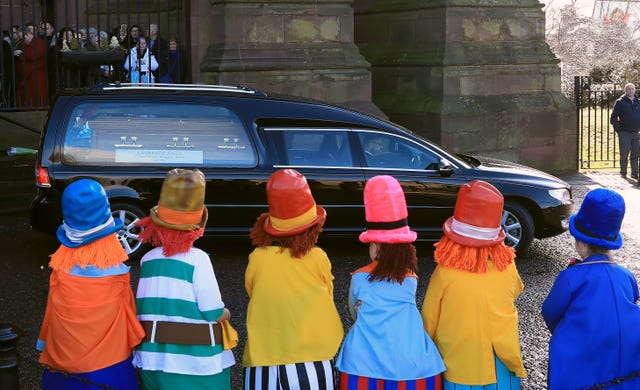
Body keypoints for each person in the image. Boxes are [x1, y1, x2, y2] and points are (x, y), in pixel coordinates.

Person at [336, 175, 446, 389]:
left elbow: (353, 312)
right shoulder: (410, 281)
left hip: (362, 366)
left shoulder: (359, 278)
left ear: (375, 246)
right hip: (414, 365)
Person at [133, 168, 236, 389]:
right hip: (196, 364)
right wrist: (227, 313)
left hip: (151, 360)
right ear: (197, 227)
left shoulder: (147, 260)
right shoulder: (198, 259)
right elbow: (212, 312)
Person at [36, 178, 145, 389]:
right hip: (111, 368)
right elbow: (129, 315)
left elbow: (51, 313)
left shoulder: (60, 269)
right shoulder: (118, 272)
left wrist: (43, 343)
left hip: (62, 369)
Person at [243, 168, 344, 390]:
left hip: (263, 358)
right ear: (313, 227)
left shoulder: (257, 258)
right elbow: (328, 292)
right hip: (313, 357)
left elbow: (253, 290)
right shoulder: (318, 257)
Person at [422, 180, 527, 389]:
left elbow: (429, 317)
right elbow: (516, 290)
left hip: (459, 365)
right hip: (503, 362)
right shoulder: (506, 265)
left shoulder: (445, 271)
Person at [541, 188, 640, 389]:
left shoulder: (570, 277)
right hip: (626, 363)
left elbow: (550, 312)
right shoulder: (626, 276)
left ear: (581, 244)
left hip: (580, 366)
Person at [610, 82, 640, 180]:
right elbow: (613, 118)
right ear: (625, 90)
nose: (630, 90)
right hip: (624, 132)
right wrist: (618, 131)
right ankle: (623, 172)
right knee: (624, 153)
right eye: (628, 89)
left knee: (635, 154)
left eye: (632, 89)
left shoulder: (638, 102)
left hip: (636, 133)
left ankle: (634, 173)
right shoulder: (620, 102)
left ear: (635, 90)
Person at [14, 26, 48, 107]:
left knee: (37, 100)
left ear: (29, 34)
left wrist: (21, 54)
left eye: (23, 38)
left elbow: (34, 54)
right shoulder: (23, 44)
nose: (22, 40)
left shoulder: (39, 42)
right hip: (26, 79)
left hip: (36, 78)